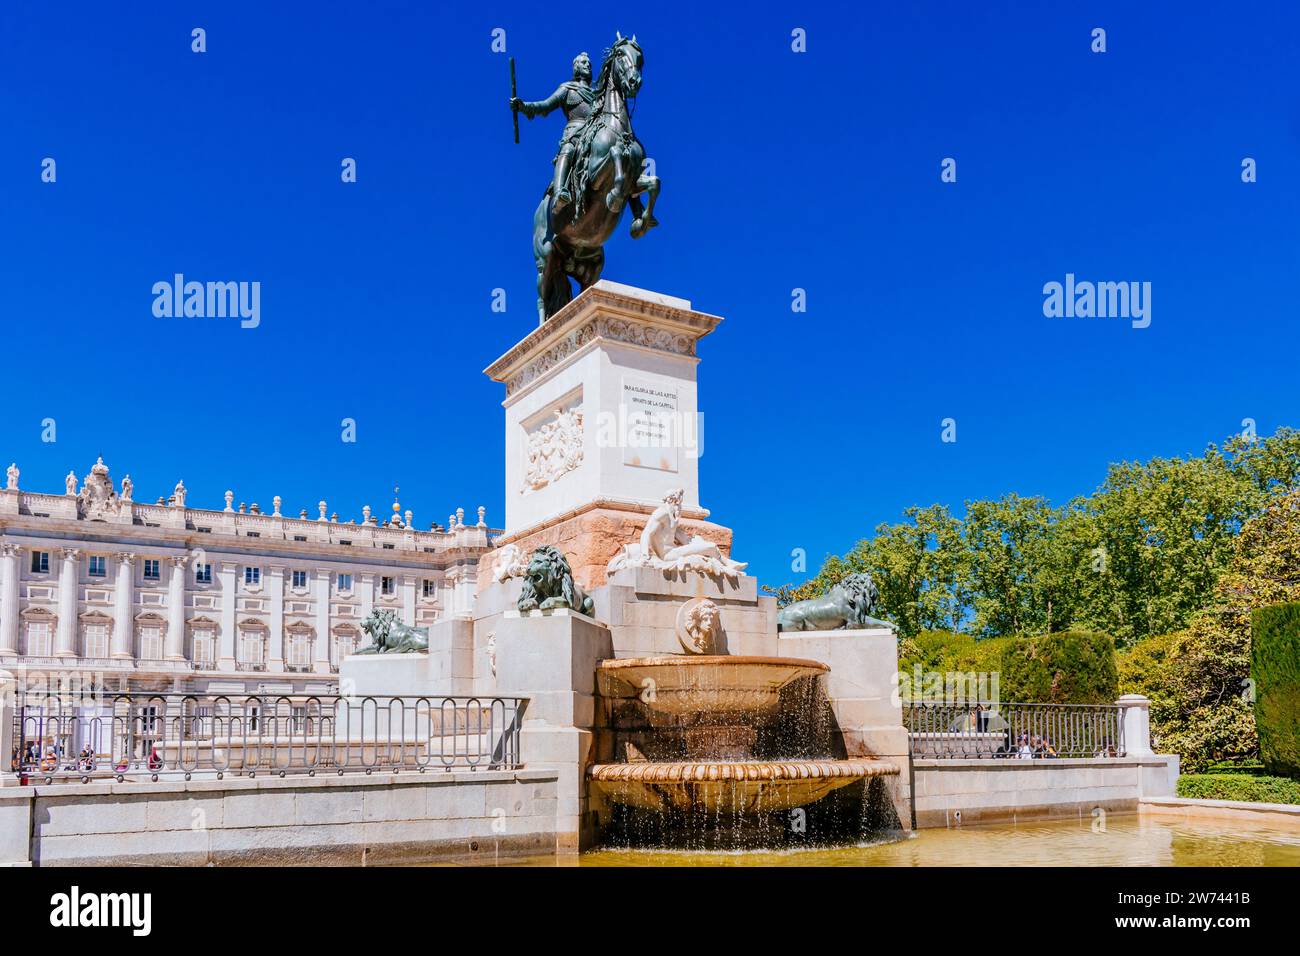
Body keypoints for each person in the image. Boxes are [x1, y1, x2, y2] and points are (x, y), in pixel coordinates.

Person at [510, 52, 596, 217]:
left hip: (595, 131)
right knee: (568, 150)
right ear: (576, 67)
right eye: (584, 63)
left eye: (589, 64)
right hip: (575, 132)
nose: (588, 66)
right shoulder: (567, 88)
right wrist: (523, 106)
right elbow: (545, 106)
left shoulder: (597, 93)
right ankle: (559, 193)